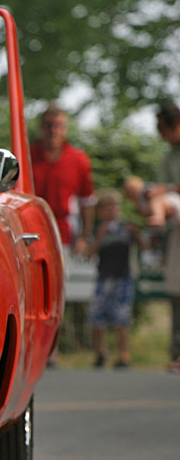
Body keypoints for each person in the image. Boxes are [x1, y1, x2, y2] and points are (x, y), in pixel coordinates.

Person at [88, 191, 146, 369]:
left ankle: (123, 356)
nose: (113, 210)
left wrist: (137, 234)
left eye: (115, 207)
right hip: (104, 278)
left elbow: (145, 248)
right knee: (97, 319)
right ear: (101, 211)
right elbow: (90, 254)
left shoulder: (127, 228)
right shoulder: (99, 229)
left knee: (122, 320)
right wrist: (99, 237)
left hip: (124, 278)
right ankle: (100, 353)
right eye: (108, 207)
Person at [30, 104, 96, 254]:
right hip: (29, 233)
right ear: (41, 128)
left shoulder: (78, 159)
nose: (54, 131)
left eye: (58, 126)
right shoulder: (26, 156)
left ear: (65, 129)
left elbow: (87, 201)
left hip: (64, 235)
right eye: (49, 125)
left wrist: (85, 237)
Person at [149, 101, 180, 373]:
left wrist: (166, 190)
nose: (160, 135)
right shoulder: (170, 154)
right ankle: (177, 351)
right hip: (176, 227)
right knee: (176, 291)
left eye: (162, 129)